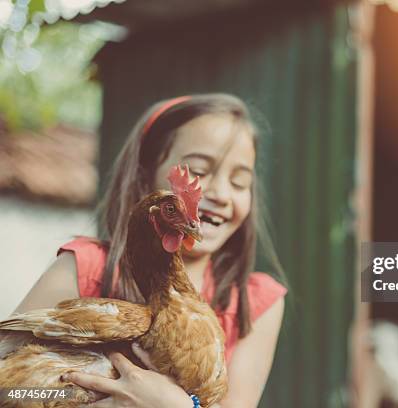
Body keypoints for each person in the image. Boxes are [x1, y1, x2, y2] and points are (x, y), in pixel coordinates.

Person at [13, 94, 287, 407]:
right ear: (145, 177)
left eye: (239, 182)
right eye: (198, 170)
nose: (221, 193)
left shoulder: (254, 302)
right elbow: (9, 388)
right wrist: (80, 399)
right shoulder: (85, 267)